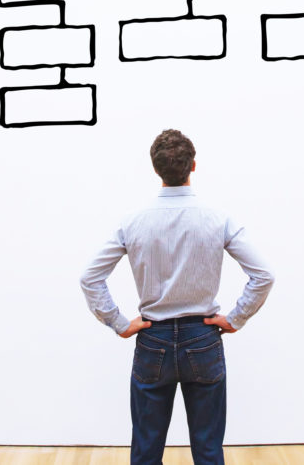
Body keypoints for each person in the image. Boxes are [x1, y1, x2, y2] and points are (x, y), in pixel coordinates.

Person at [80, 129, 275, 465]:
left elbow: (90, 277)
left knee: (145, 449)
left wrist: (119, 323)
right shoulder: (218, 218)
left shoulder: (133, 221)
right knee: (209, 449)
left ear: (155, 169)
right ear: (193, 166)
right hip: (203, 338)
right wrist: (236, 317)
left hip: (152, 339)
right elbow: (264, 274)